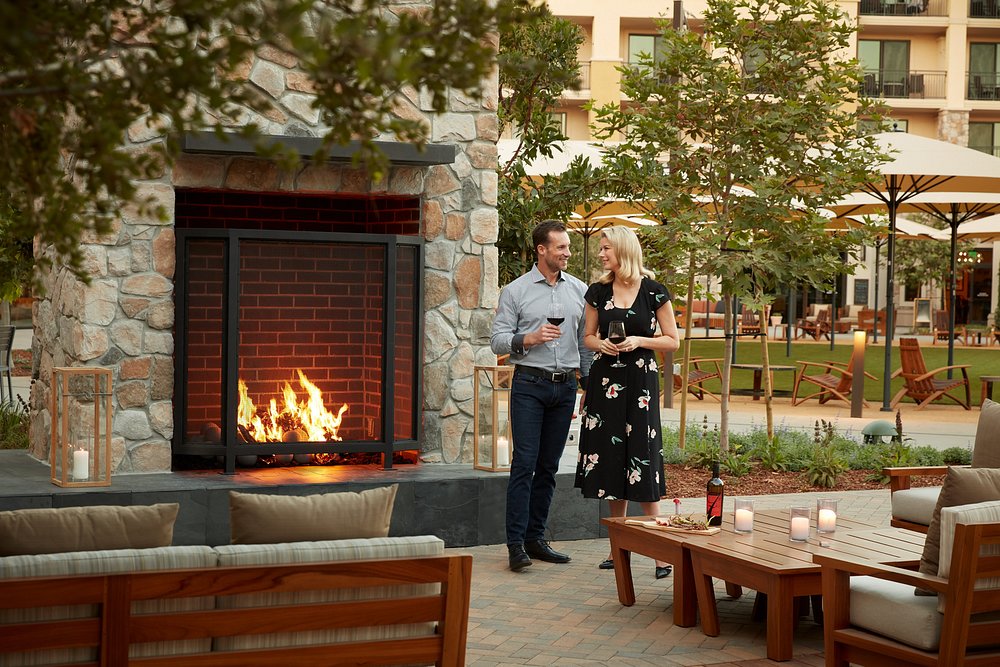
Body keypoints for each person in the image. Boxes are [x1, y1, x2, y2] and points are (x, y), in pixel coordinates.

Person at [573, 226, 679, 579]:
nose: (601, 254)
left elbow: (672, 340)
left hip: (640, 384)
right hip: (606, 381)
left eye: (606, 248)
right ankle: (616, 549)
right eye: (601, 248)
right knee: (610, 459)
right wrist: (600, 344)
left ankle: (661, 553)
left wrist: (639, 340)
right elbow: (588, 336)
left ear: (623, 250)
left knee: (642, 456)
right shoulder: (597, 291)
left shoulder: (654, 291)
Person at [491, 220, 593, 572]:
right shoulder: (515, 291)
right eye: (561, 247)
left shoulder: (580, 290)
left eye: (568, 247)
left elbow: (584, 344)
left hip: (564, 388)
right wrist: (528, 339)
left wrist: (587, 385)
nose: (567, 253)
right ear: (542, 250)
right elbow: (497, 341)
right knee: (524, 464)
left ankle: (536, 538)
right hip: (529, 386)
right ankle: (515, 544)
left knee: (549, 466)